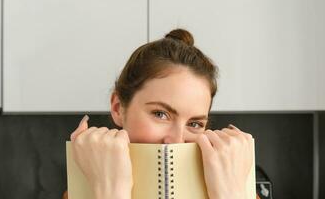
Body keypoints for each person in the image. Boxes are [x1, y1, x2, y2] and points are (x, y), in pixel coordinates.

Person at [67, 29, 256, 199]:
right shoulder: (82, 189)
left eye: (195, 124)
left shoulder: (239, 187)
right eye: (160, 114)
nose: (176, 140)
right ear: (118, 108)